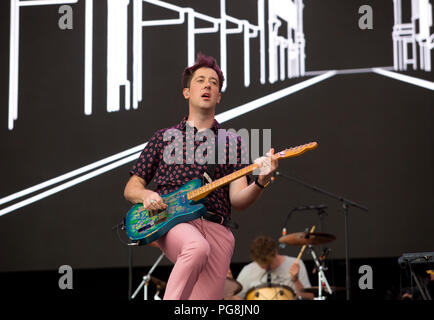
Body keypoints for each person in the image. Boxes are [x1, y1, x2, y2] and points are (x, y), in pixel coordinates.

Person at [123, 53, 278, 300]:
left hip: (218, 230)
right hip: (174, 220)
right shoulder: (164, 137)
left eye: (214, 83)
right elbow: (132, 186)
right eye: (200, 80)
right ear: (187, 92)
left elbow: (238, 198)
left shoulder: (232, 142)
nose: (207, 85)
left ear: (219, 96)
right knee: (196, 247)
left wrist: (261, 180)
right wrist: (146, 195)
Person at [234, 235, 314, 300]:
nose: (266, 268)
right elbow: (236, 297)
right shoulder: (247, 270)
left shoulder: (296, 264)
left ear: (276, 252)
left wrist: (296, 280)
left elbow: (309, 298)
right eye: (262, 266)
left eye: (269, 264)